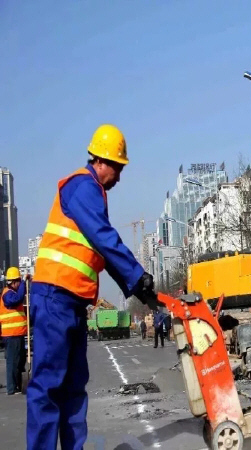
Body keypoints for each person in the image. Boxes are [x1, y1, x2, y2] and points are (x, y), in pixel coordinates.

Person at [27, 125, 157, 450]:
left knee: (73, 387)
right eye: (119, 168)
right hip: (54, 298)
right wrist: (137, 275)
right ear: (103, 161)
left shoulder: (91, 194)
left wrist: (139, 287)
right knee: (48, 387)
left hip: (71, 303)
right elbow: (104, 237)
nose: (119, 177)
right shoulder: (82, 187)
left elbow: (103, 252)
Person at [0, 267, 29, 395]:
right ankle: (11, 388)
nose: (19, 285)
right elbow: (16, 299)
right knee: (12, 362)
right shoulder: (7, 294)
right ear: (13, 282)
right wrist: (23, 282)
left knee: (19, 361)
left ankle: (17, 385)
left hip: (18, 334)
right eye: (18, 282)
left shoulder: (13, 292)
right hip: (11, 335)